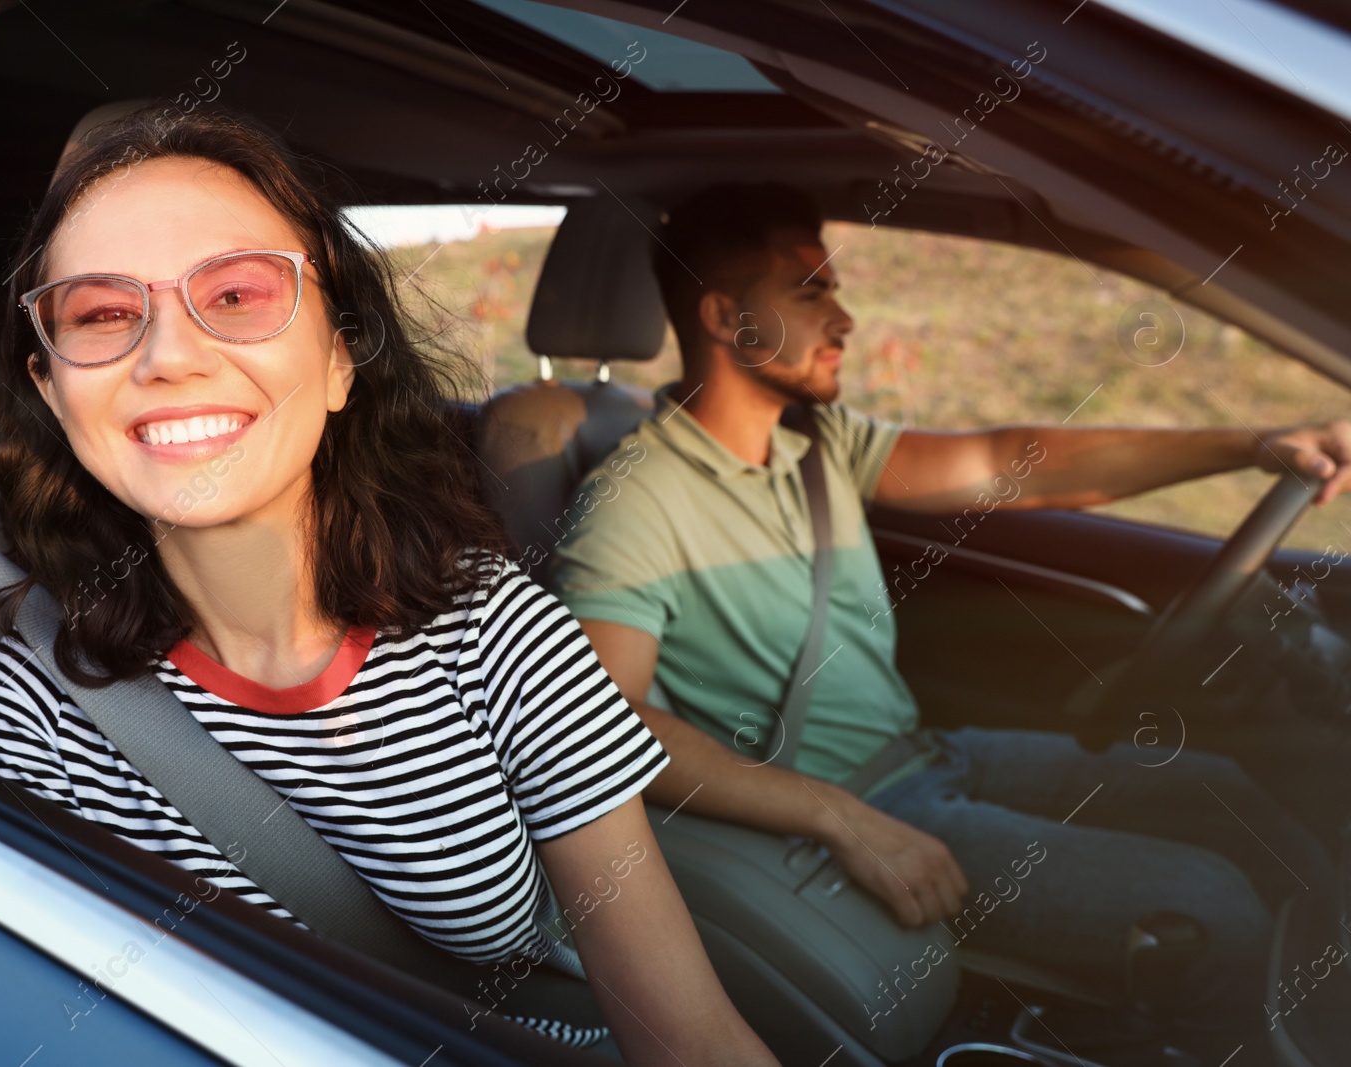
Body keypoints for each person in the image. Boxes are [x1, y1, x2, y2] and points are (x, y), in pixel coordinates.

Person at [0, 108, 776, 1065]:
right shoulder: (44, 707)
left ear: (342, 356)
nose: (168, 356)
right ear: (53, 389)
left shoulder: (496, 625)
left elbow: (687, 1039)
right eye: (101, 314)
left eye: (235, 295)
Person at [550, 182, 1342, 1018]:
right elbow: (606, 724)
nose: (844, 319)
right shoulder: (634, 499)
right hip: (842, 806)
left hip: (927, 754)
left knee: (1233, 797)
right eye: (810, 290)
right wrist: (839, 816)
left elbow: (1015, 462)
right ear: (724, 318)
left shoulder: (819, 444)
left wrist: (1252, 446)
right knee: (1213, 901)